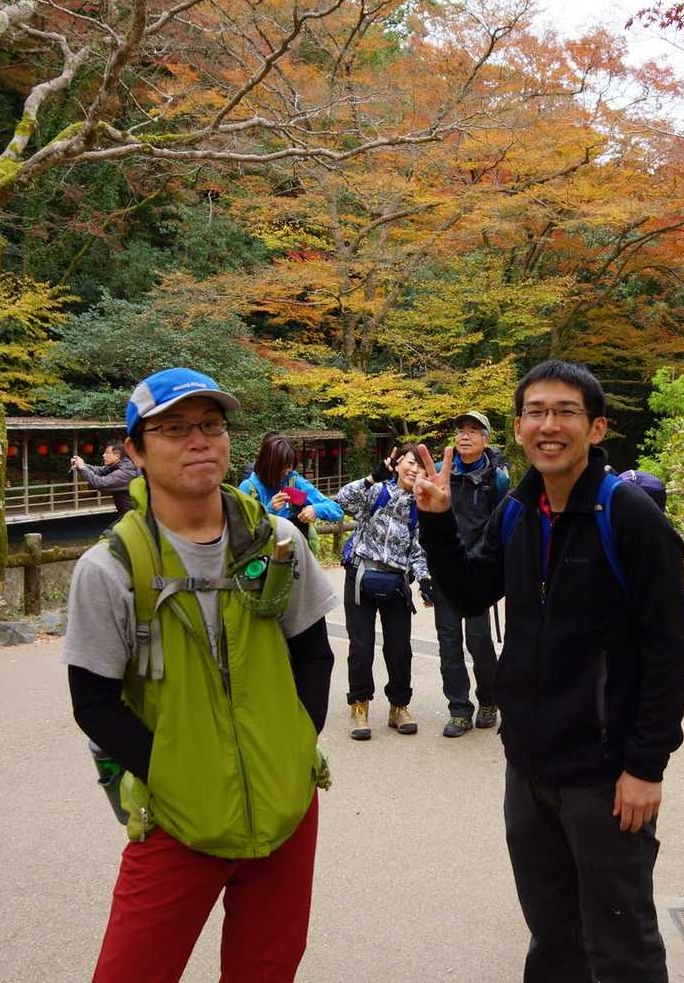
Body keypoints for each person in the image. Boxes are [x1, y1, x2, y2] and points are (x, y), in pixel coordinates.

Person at [411, 360, 684, 983]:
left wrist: (646, 766)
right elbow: (471, 592)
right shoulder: (519, 511)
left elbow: (670, 650)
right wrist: (436, 520)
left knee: (621, 945)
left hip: (606, 776)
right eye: (536, 412)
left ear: (596, 428)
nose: (549, 425)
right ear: (517, 428)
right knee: (552, 938)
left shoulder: (629, 518)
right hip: (529, 769)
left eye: (566, 412)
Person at [62, 367, 339, 983]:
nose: (199, 441)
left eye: (212, 425)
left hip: (285, 802)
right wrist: (172, 771)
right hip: (176, 814)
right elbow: (94, 701)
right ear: (135, 450)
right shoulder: (109, 569)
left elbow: (313, 654)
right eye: (174, 429)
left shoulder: (277, 542)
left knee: (267, 968)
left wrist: (296, 744)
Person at [334, 446, 430, 741]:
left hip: (396, 581)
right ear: (397, 465)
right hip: (361, 575)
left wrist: (425, 579)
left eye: (420, 466)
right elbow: (343, 499)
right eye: (410, 463)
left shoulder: (420, 505)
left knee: (400, 649)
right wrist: (372, 478)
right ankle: (359, 704)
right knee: (360, 646)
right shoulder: (377, 492)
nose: (414, 470)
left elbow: (419, 549)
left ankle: (399, 706)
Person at [431, 411, 508, 738]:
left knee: (479, 641)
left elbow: (502, 525)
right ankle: (459, 709)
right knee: (449, 643)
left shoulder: (497, 478)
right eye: (461, 431)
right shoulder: (441, 472)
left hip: (478, 572)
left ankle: (488, 700)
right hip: (445, 570)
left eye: (473, 431)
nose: (465, 436)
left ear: (485, 439)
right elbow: (424, 518)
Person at [238, 432, 344, 540]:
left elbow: (336, 510)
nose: (287, 471)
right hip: (262, 548)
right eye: (283, 467)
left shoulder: (293, 483)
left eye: (290, 466)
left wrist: (316, 509)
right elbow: (239, 531)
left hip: (292, 547)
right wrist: (269, 510)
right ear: (268, 465)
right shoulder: (249, 488)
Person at [72, 440, 139, 513]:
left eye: (107, 453)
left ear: (117, 456)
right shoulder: (116, 466)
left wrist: (83, 468)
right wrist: (81, 464)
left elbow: (100, 483)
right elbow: (98, 471)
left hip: (136, 515)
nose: (103, 455)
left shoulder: (125, 472)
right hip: (128, 513)